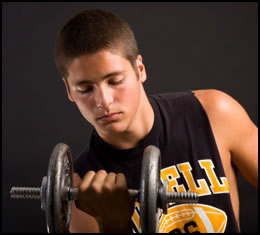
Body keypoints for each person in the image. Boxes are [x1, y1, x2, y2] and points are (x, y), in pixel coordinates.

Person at [54, 8, 258, 233]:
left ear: (139, 69)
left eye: (115, 81)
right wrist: (112, 224)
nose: (104, 101)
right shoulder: (81, 191)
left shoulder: (214, 113)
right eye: (85, 89)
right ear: (69, 91)